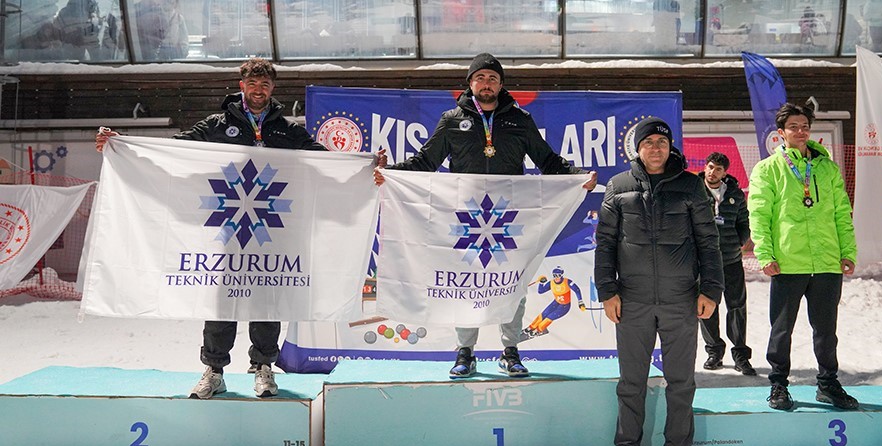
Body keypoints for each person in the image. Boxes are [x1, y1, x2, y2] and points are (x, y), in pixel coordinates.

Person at [96, 58, 386, 399]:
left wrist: (364, 164)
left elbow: (321, 158)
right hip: (229, 227)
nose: (258, 89)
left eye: (265, 84)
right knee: (223, 299)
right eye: (252, 83)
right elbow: (176, 147)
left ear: (272, 88)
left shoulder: (286, 130)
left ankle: (263, 368)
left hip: (272, 227)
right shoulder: (218, 124)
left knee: (268, 296)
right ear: (242, 85)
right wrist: (122, 146)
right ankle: (214, 370)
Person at [373, 52, 597, 379]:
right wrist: (390, 173)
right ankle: (465, 352)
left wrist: (579, 177)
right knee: (467, 285)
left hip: (510, 221)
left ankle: (511, 351)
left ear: (501, 84)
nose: (487, 83)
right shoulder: (452, 120)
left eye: (492, 78)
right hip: (465, 220)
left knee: (513, 282)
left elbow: (548, 160)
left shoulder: (519, 119)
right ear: (470, 83)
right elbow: (425, 162)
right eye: (480, 78)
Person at [595, 117, 723, 446]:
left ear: (670, 147)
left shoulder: (691, 186)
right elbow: (604, 244)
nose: (655, 147)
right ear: (637, 147)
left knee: (681, 381)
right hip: (632, 301)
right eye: (648, 141)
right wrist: (608, 291)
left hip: (680, 300)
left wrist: (710, 290)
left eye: (661, 142)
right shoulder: (618, 186)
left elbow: (708, 243)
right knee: (631, 383)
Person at [747, 103, 858, 412]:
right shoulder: (768, 169)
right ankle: (779, 384)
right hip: (788, 261)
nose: (800, 131)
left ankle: (828, 384)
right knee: (781, 329)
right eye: (793, 127)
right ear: (781, 133)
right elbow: (759, 215)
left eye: (805, 126)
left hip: (826, 262)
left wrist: (847, 251)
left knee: (826, 330)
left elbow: (841, 214)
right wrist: (765, 253)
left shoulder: (827, 167)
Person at [697, 152, 756, 376]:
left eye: (718, 169)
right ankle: (714, 352)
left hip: (731, 260)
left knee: (737, 306)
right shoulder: (694, 190)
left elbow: (744, 222)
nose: (713, 172)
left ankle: (740, 354)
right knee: (706, 307)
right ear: (705, 167)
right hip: (705, 262)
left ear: (725, 172)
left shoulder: (735, 193)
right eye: (710, 167)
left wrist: (740, 242)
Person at [522, 266, 586, 339]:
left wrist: (580, 302)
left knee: (550, 317)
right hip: (556, 303)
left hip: (565, 306)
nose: (556, 277)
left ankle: (538, 330)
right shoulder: (551, 283)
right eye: (554, 275)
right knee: (544, 314)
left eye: (558, 275)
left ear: (561, 275)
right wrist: (541, 283)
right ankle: (531, 327)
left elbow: (577, 290)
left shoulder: (567, 281)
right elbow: (541, 291)